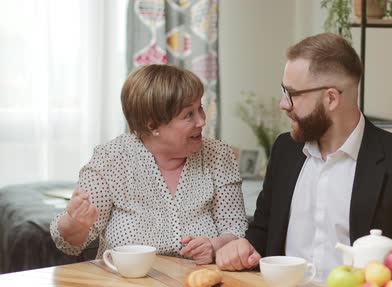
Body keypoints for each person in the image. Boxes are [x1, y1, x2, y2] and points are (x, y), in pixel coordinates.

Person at [214, 33, 392, 287]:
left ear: (331, 98)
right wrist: (241, 247)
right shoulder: (286, 149)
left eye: (292, 94)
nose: (283, 104)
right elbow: (262, 231)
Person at [50, 64, 248, 264]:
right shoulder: (111, 159)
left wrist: (213, 247)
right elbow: (71, 242)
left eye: (200, 108)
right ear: (152, 125)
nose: (201, 121)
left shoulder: (218, 155)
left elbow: (235, 229)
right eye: (189, 114)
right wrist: (75, 222)